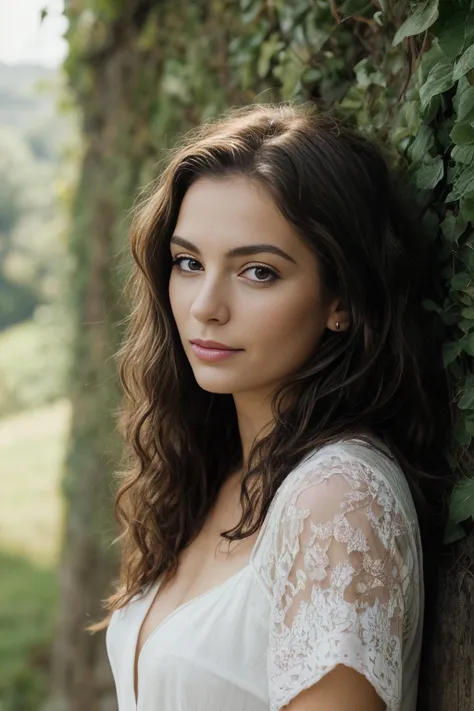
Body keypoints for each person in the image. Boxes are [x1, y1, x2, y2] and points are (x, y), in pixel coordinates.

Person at [92, 101, 455, 711]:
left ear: (341, 296)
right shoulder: (212, 471)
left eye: (258, 272)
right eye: (188, 263)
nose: (206, 305)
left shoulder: (338, 500)